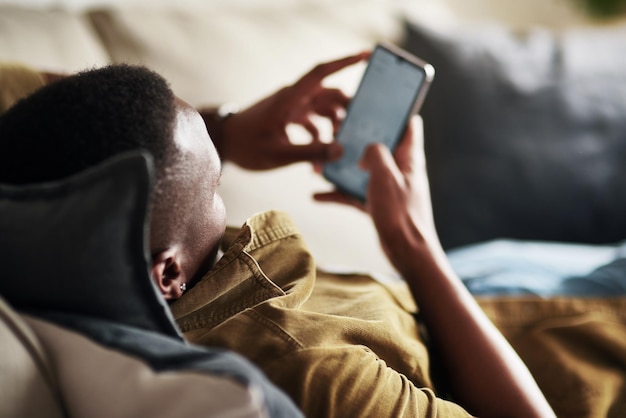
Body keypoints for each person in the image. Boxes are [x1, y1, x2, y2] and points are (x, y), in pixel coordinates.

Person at [0, 55, 555, 417]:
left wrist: (230, 131)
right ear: (165, 273)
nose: (227, 198)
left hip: (480, 287)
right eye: (214, 188)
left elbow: (49, 106)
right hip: (562, 352)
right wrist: (415, 243)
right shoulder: (313, 367)